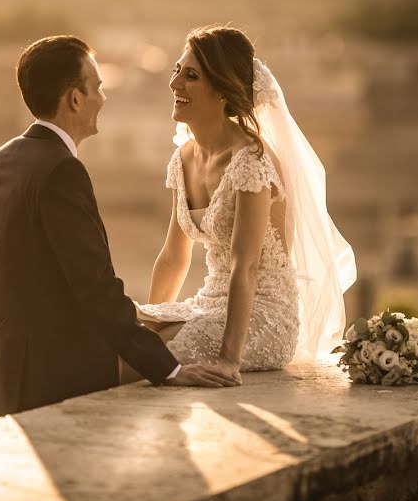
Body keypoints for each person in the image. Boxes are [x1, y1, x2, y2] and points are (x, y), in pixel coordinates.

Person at [0, 35, 238, 417]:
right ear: (75, 100)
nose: (103, 98)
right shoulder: (63, 171)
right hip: (49, 376)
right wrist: (168, 368)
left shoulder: (0, 160)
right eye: (96, 88)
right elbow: (95, 288)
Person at [135, 26, 357, 384]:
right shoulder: (183, 158)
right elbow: (174, 257)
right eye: (176, 70)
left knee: (139, 362)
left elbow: (246, 265)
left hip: (263, 315)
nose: (175, 84)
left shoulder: (251, 160)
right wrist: (152, 317)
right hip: (208, 303)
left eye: (191, 76)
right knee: (120, 333)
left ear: (223, 90)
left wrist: (228, 360)